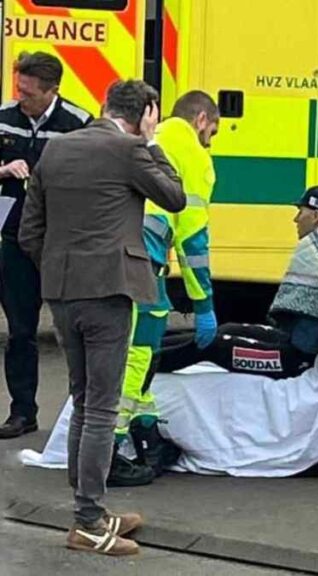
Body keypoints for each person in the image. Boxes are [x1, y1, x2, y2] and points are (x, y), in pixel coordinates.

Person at [19, 79, 185, 556]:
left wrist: (58, 268)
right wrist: (152, 142)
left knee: (81, 399)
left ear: (105, 106)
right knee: (102, 407)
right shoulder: (131, 148)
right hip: (109, 291)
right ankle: (88, 521)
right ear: (146, 112)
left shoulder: (57, 149)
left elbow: (32, 230)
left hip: (63, 292)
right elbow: (174, 196)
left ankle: (88, 510)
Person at [109, 91, 220, 487]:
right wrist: (203, 301)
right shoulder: (194, 156)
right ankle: (112, 448)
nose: (212, 140)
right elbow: (193, 241)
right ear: (202, 118)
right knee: (138, 357)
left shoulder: (145, 140)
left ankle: (148, 433)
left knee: (135, 357)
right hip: (143, 265)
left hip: (109, 260)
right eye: (213, 131)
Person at [155, 185, 318, 379]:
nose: (296, 219)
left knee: (214, 346)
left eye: (300, 212)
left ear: (316, 216)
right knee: (226, 329)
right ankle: (145, 349)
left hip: (295, 360)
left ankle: (139, 367)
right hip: (292, 342)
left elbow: (308, 342)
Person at [0, 52, 92, 439]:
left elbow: (93, 181)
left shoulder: (79, 124)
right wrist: (3, 170)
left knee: (73, 331)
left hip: (60, 242)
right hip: (13, 238)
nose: (21, 97)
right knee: (21, 331)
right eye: (18, 88)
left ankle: (84, 413)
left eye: (29, 93)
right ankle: (23, 412)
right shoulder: (4, 116)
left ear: (52, 91)